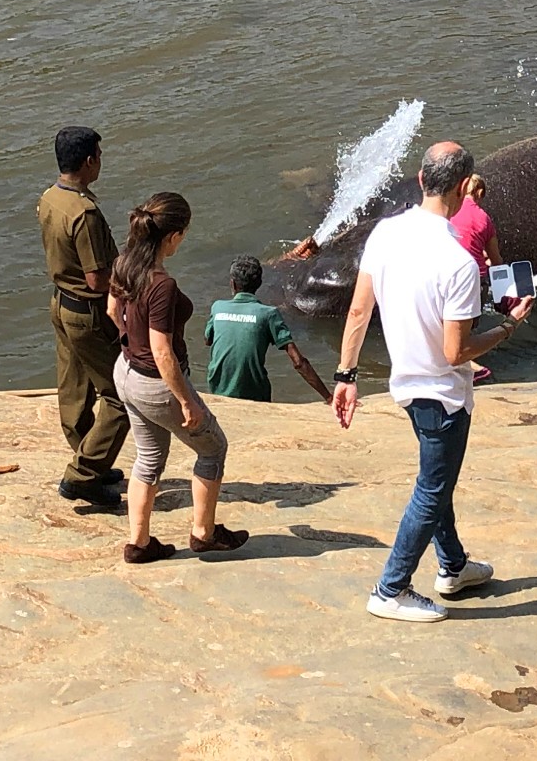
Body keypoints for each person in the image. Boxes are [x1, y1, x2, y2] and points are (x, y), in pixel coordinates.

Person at [333, 141, 534, 623]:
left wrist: (346, 375)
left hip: (404, 385)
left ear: (421, 180)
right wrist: (509, 326)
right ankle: (390, 588)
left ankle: (453, 567)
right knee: (431, 488)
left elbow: (360, 309)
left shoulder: (383, 234)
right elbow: (456, 352)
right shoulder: (459, 263)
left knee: (435, 481)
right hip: (443, 396)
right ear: (466, 189)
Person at [109, 191, 247, 564]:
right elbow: (162, 351)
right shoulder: (161, 285)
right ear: (172, 236)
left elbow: (111, 310)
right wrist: (186, 400)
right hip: (156, 384)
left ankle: (139, 544)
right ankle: (204, 533)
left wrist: (128, 343)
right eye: (183, 234)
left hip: (126, 374)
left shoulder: (123, 264)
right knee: (213, 447)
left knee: (148, 459)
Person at [38, 125, 127, 505]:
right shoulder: (85, 212)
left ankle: (89, 455)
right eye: (100, 156)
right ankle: (84, 474)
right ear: (89, 161)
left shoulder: (50, 198)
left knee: (73, 390)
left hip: (61, 303)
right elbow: (96, 279)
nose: (101, 163)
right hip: (88, 312)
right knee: (119, 395)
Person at [205, 256, 333, 404]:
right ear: (259, 284)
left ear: (232, 283)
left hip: (217, 389)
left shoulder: (218, 307)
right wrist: (328, 397)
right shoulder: (269, 314)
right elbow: (298, 362)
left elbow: (208, 340)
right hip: (254, 394)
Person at [448, 173, 500, 384]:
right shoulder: (484, 219)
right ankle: (469, 365)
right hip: (475, 277)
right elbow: (496, 259)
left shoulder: (449, 212)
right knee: (466, 328)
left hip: (449, 276)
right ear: (478, 192)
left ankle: (463, 364)